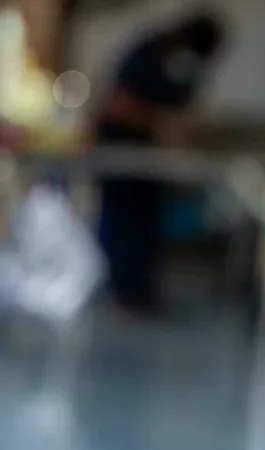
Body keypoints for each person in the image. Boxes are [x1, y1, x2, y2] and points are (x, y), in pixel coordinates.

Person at [94, 9, 227, 316]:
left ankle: (138, 292)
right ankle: (123, 292)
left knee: (145, 223)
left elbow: (183, 108)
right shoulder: (148, 52)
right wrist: (160, 122)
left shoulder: (187, 67)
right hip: (122, 152)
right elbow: (119, 104)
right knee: (123, 222)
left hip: (152, 160)